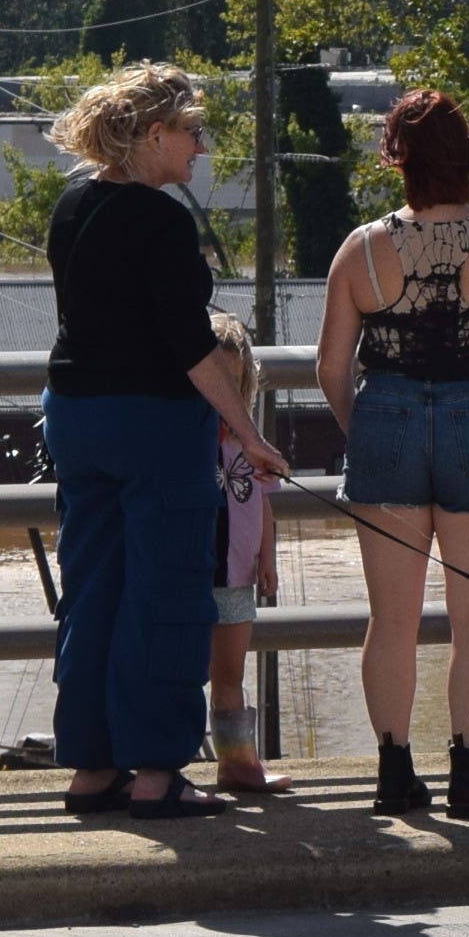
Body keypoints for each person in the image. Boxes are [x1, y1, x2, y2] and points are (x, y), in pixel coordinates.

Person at [38, 62, 291, 820]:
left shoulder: (73, 205)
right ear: (153, 135)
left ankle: (91, 766)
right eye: (191, 132)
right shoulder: (161, 219)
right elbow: (191, 346)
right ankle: (155, 772)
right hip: (153, 423)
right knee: (167, 593)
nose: (201, 149)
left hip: (77, 416)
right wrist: (248, 436)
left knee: (93, 591)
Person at [318, 86, 469, 817]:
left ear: (398, 158)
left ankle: (394, 773)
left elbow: (330, 367)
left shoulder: (361, 247)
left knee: (391, 619)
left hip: (385, 417)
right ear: (468, 156)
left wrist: (365, 428)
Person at [202, 318, 285, 797]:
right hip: (188, 570)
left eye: (234, 384)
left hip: (236, 575)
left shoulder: (249, 442)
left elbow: (264, 503)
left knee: (230, 674)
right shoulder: (186, 439)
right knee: (178, 668)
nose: (224, 394)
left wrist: (266, 559)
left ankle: (237, 765)